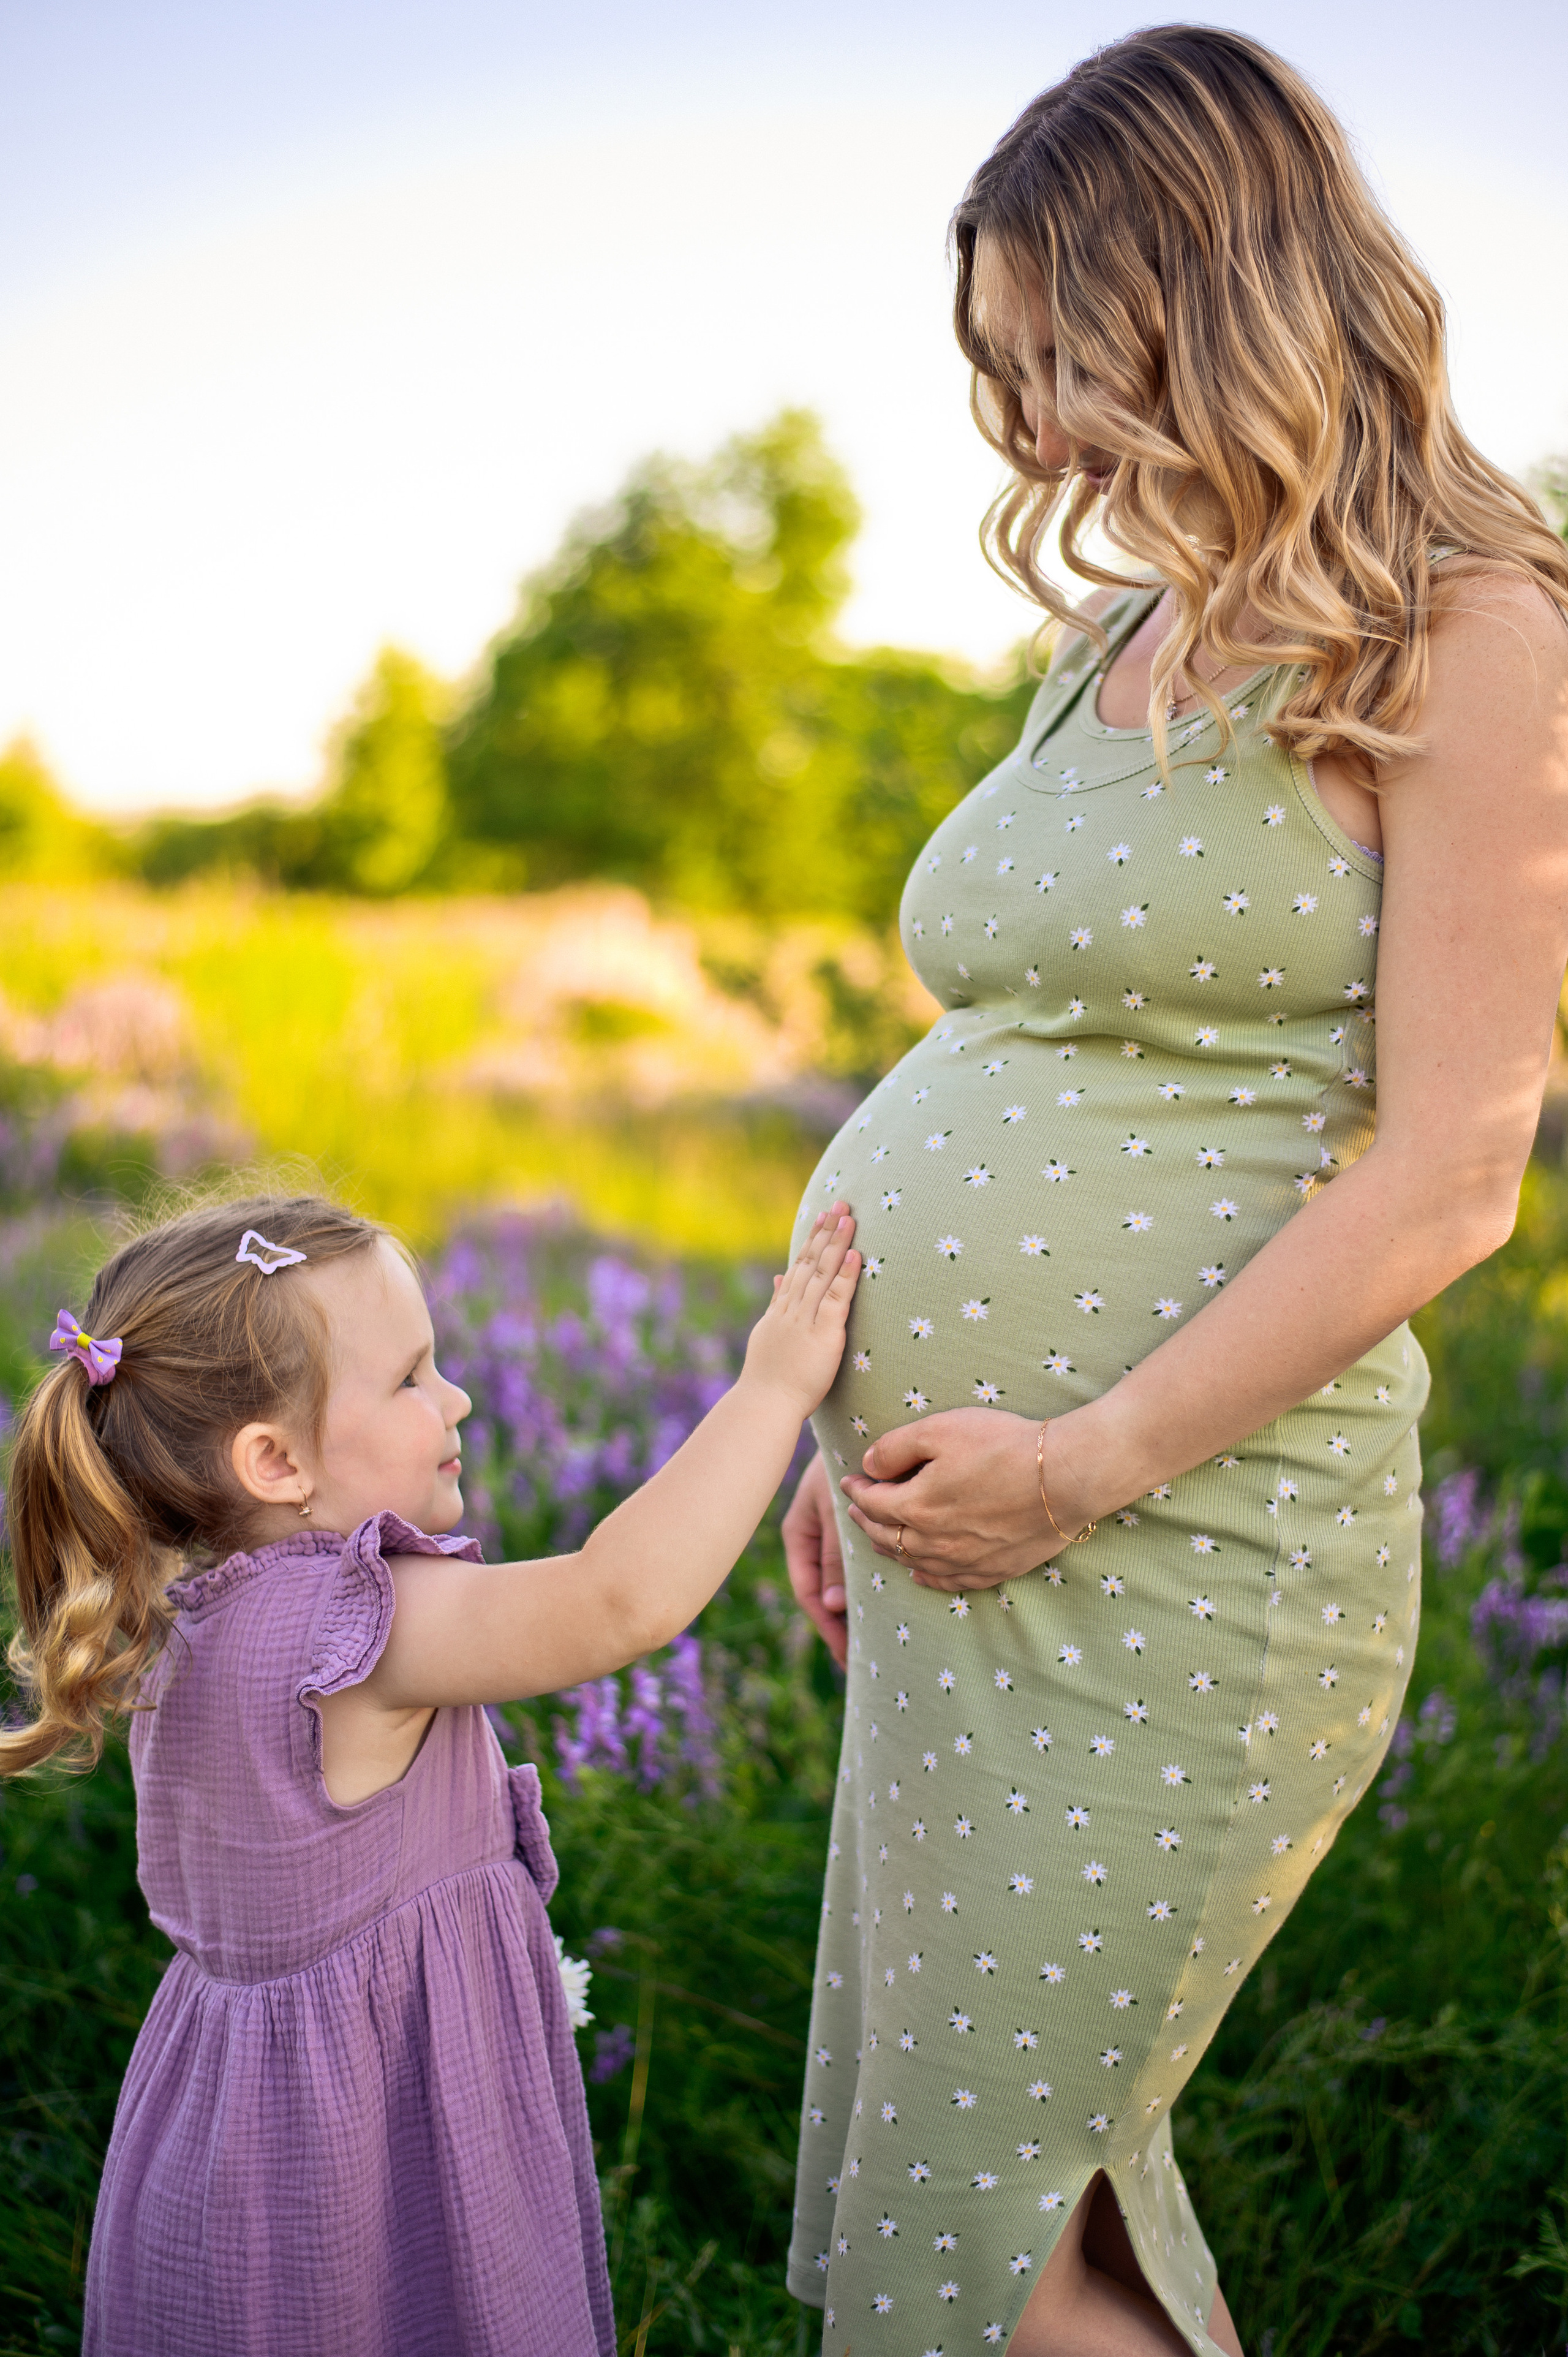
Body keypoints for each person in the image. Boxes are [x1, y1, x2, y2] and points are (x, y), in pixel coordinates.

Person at [780, 25, 1568, 2357]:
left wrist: (1088, 1452)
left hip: (1183, 1542)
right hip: (975, 1529)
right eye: (1000, 372)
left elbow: (1454, 1174)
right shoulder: (1114, 632)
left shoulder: (1473, 625)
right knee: (991, 2179)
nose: (1026, 429)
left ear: (1214, 294)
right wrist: (834, 1424)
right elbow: (1015, 1046)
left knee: (1002, 2215)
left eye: (1061, 357)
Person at [1, 1189, 860, 2357]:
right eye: (410, 1378)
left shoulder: (183, 1622)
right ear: (275, 1459)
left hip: (221, 2146)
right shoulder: (357, 1632)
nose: (454, 1398)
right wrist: (774, 1389)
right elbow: (620, 1600)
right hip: (378, 2169)